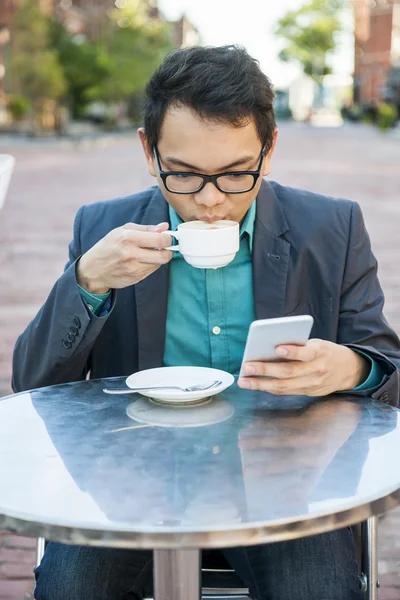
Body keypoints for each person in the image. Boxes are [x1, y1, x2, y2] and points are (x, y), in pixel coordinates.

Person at [12, 45, 400, 600]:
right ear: (150, 152)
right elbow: (32, 385)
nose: (211, 201)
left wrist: (349, 366)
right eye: (186, 176)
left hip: (284, 479)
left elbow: (390, 374)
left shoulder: (331, 228)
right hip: (131, 479)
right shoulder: (103, 226)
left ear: (268, 151)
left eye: (237, 174)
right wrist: (86, 281)